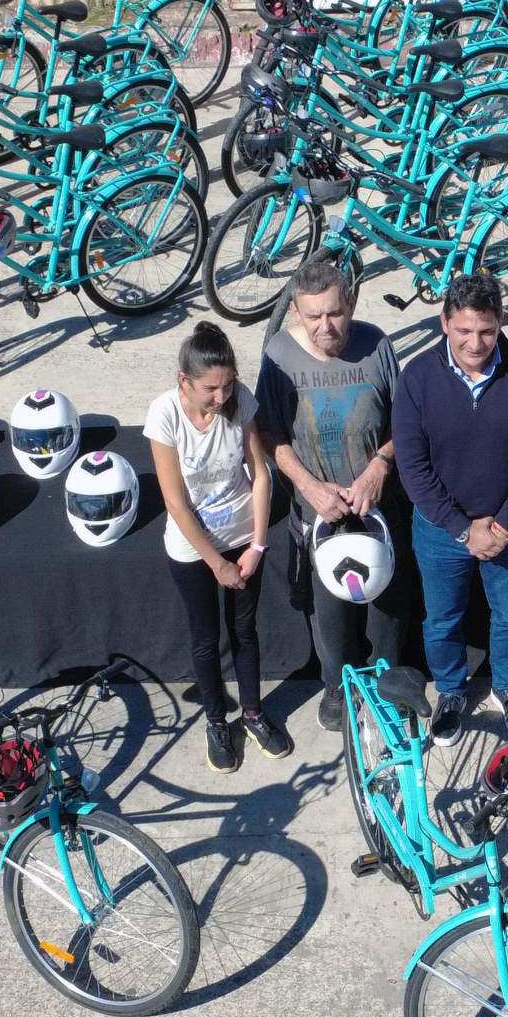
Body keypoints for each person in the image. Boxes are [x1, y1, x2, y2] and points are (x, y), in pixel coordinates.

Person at [393, 272, 508, 747]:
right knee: (442, 619)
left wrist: (503, 523)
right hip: (441, 530)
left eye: (486, 330)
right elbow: (413, 467)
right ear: (445, 323)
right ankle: (450, 691)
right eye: (464, 330)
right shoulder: (417, 377)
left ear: (500, 321)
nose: (475, 342)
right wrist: (464, 530)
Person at [256, 259, 410, 732]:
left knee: (387, 608)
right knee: (329, 612)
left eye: (335, 313)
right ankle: (337, 686)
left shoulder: (376, 344)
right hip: (319, 512)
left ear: (352, 304)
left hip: (377, 506)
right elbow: (268, 433)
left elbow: (404, 421)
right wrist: (308, 486)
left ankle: (386, 684)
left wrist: (380, 465)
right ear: (295, 313)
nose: (326, 326)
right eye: (313, 316)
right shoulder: (279, 355)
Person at [147, 322, 291, 772]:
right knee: (206, 638)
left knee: (244, 631)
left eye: (227, 385)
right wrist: (216, 564)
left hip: (243, 539)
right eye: (211, 388)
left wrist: (258, 546)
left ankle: (253, 713)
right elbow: (174, 501)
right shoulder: (165, 415)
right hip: (193, 549)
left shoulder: (240, 400)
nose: (221, 396)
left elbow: (260, 474)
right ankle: (215, 721)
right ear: (184, 381)